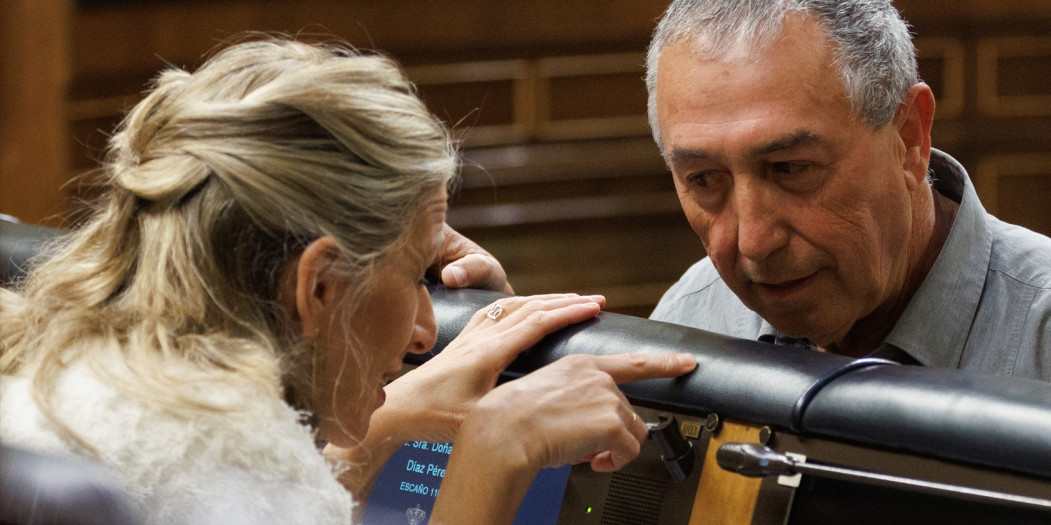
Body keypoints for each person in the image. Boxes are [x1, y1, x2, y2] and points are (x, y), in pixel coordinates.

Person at [0, 38, 696, 524]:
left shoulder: (70, 381)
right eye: (417, 272)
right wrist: (493, 456)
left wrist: (383, 418)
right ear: (319, 287)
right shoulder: (231, 491)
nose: (429, 329)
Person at [641, 0, 1051, 404]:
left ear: (909, 138)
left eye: (791, 170)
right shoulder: (687, 326)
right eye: (705, 181)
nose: (754, 241)